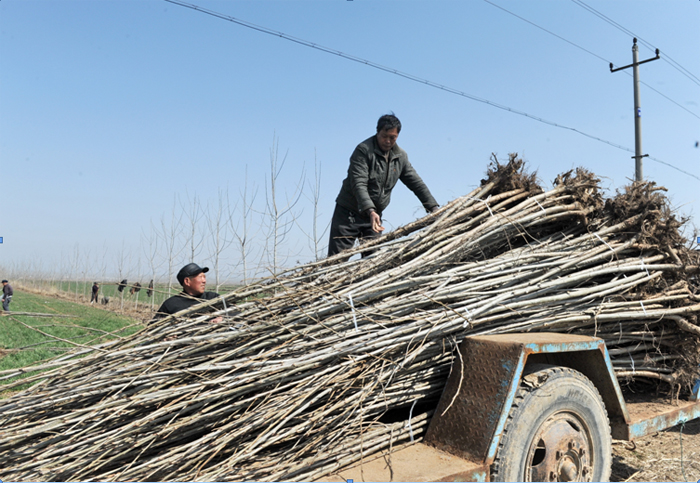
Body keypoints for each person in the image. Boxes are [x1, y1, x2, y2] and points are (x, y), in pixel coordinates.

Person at [328, 113, 439, 257]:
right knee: (337, 259)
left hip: (374, 218)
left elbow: (416, 183)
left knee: (371, 261)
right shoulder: (363, 150)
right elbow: (358, 183)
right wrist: (370, 210)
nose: (388, 141)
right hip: (348, 214)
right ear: (377, 132)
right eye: (384, 136)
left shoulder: (400, 157)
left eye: (392, 138)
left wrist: (433, 208)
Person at [153, 263, 219, 320]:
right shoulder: (171, 304)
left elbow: (229, 312)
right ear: (187, 281)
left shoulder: (213, 298)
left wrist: (222, 318)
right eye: (200, 277)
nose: (204, 281)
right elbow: (152, 327)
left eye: (204, 277)